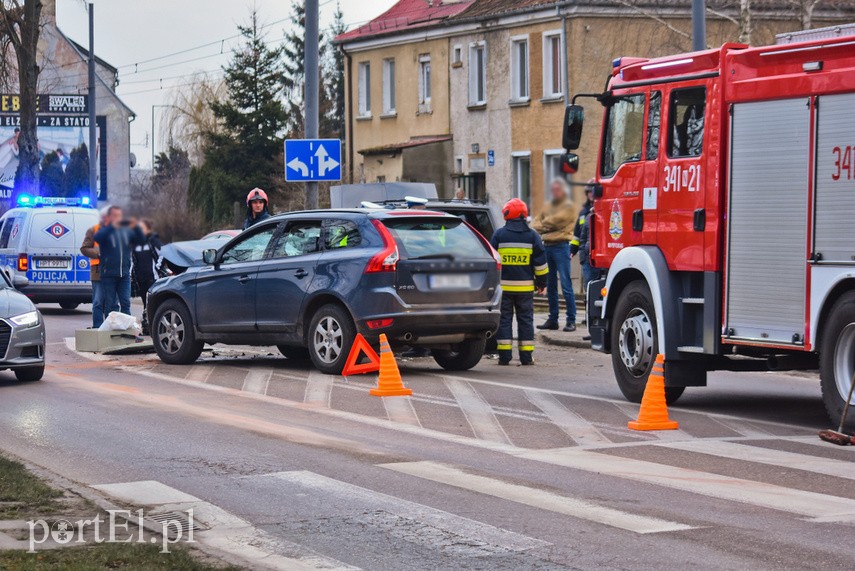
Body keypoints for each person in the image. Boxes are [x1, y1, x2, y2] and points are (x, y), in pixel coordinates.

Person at [491, 198, 548, 366]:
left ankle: (504, 356)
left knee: (505, 320)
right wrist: (541, 283)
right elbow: (541, 264)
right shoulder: (533, 236)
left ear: (507, 214)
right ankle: (526, 357)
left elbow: (492, 260)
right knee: (525, 320)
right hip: (524, 288)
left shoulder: (499, 235)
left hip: (504, 288)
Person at [532, 177, 579, 332]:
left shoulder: (569, 206)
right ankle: (553, 319)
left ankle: (571, 320)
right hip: (547, 247)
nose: (554, 192)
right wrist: (548, 227)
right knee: (550, 284)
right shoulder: (548, 205)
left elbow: (555, 221)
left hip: (561, 247)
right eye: (553, 189)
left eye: (557, 189)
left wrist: (545, 227)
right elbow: (535, 224)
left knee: (566, 284)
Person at [93, 206, 146, 319]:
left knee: (126, 303)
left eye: (119, 215)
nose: (118, 218)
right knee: (111, 304)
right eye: (115, 215)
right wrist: (112, 226)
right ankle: (110, 330)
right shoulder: (105, 230)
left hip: (124, 274)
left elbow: (141, 240)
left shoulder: (126, 231)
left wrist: (135, 226)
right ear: (110, 217)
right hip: (109, 274)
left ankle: (126, 329)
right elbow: (97, 237)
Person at [131, 219, 163, 335]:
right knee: (145, 303)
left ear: (147, 229)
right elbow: (132, 261)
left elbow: (162, 253)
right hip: (140, 279)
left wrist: (158, 267)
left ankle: (155, 327)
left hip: (152, 277)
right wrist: (132, 275)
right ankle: (147, 326)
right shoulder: (135, 243)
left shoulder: (153, 240)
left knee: (153, 303)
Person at [80, 206, 111, 328]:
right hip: (97, 271)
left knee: (112, 302)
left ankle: (110, 327)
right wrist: (98, 253)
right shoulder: (93, 230)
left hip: (112, 272)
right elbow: (84, 248)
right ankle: (97, 327)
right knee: (98, 301)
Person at [571, 179, 600, 295]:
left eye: (594, 191)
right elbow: (578, 235)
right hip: (587, 257)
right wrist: (573, 251)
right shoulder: (584, 213)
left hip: (600, 256)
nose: (592, 194)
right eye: (589, 192)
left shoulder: (603, 209)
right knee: (589, 288)